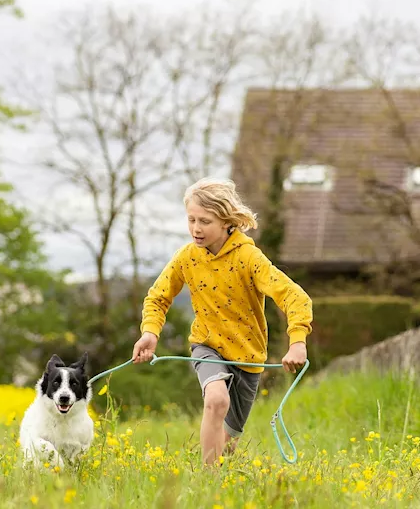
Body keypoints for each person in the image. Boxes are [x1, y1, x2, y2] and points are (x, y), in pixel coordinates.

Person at [131, 177, 313, 466]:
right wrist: (150, 333)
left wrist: (298, 342)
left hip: (248, 357)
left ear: (227, 221)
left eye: (205, 221)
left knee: (227, 447)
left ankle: (217, 474)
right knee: (216, 400)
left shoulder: (249, 258)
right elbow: (158, 297)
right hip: (207, 345)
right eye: (191, 219)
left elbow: (294, 297)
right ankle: (206, 482)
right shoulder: (187, 257)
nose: (196, 228)